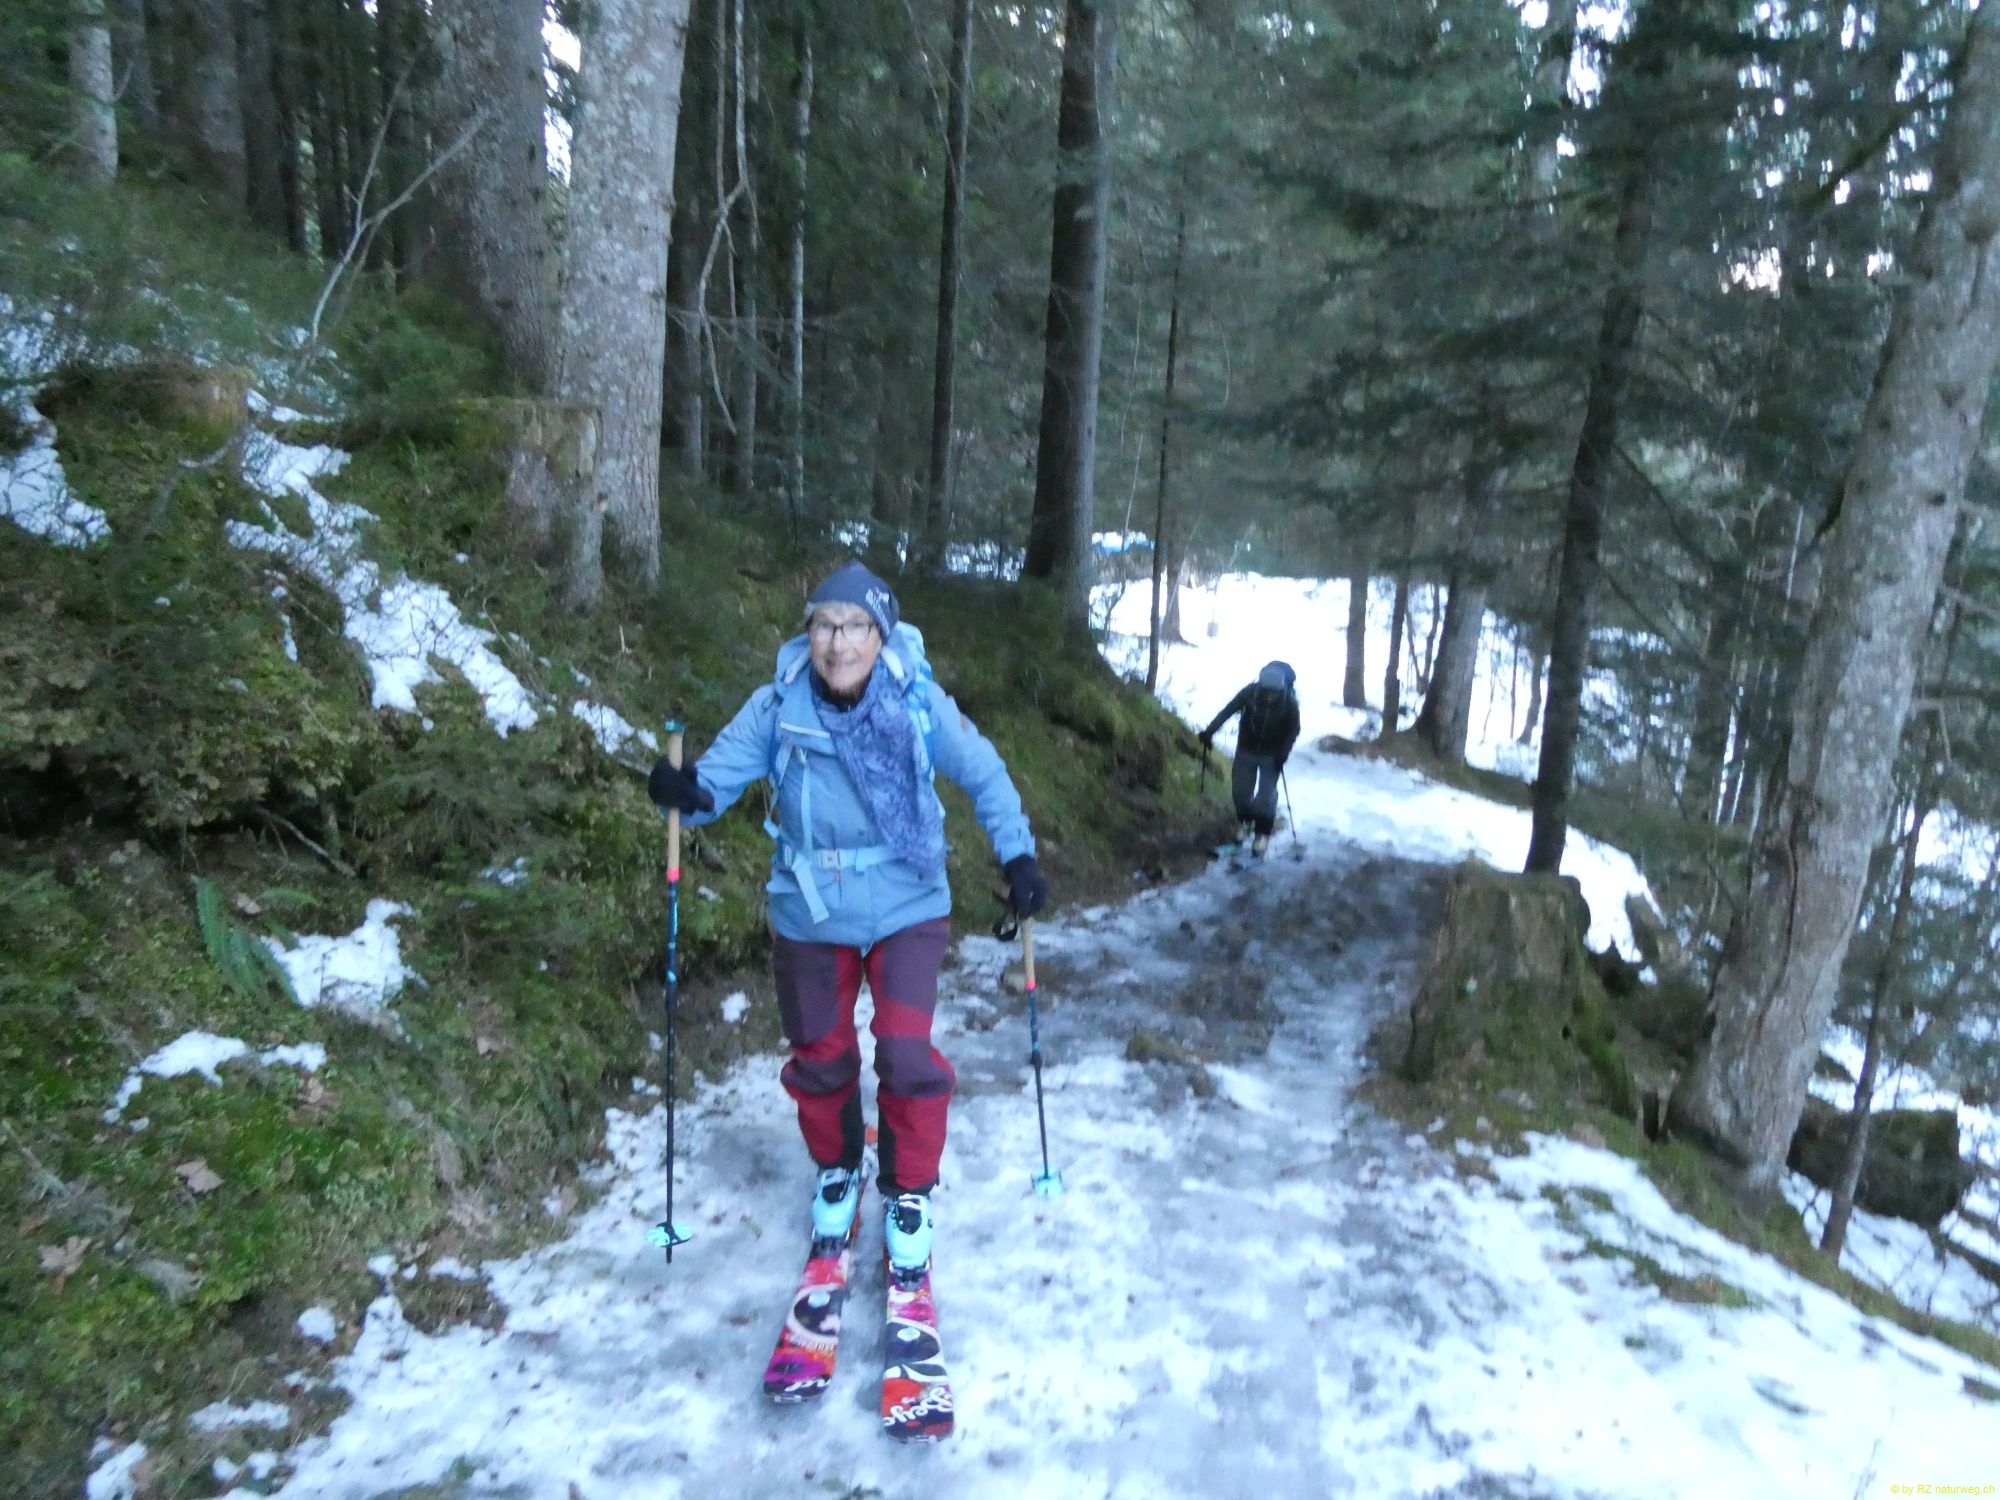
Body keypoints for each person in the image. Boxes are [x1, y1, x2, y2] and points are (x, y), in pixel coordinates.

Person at [646, 560, 1049, 1275]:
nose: (839, 644)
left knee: (905, 1052)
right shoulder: (778, 706)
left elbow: (984, 772)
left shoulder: (916, 700)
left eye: (856, 626)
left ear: (880, 634)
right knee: (820, 1054)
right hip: (810, 907)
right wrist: (685, 792)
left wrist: (1017, 856)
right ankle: (838, 1166)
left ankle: (910, 1189)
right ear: (809, 634)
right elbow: (716, 781)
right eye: (826, 626)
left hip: (908, 900)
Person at [1198, 661, 1300, 858]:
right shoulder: (1250, 693)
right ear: (1261, 687)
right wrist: (1209, 732)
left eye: (1274, 693)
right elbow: (1228, 710)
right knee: (1240, 792)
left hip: (1272, 754)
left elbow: (1293, 730)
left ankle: (1262, 833)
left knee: (1266, 796)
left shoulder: (1289, 702)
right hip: (1246, 749)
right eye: (1267, 692)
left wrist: (1283, 753)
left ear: (1281, 689)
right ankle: (1245, 823)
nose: (1270, 696)